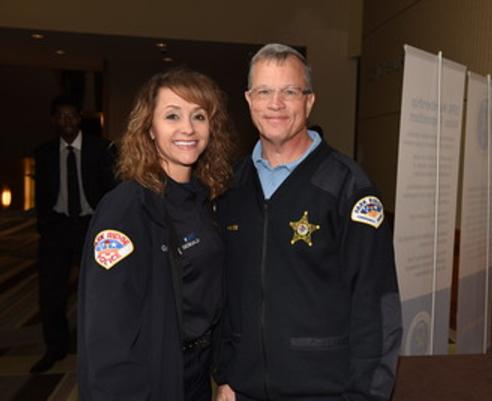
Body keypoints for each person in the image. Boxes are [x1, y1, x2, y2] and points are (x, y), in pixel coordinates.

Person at [215, 43, 402, 401]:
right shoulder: (230, 188)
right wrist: (225, 374)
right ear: (249, 100)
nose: (276, 104)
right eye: (264, 92)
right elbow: (224, 295)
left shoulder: (348, 188)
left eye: (289, 92)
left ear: (309, 101)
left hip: (326, 392)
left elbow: (376, 306)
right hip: (243, 390)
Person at [77, 68, 234, 400]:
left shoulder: (206, 199)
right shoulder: (125, 209)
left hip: (197, 374)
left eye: (199, 116)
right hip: (148, 378)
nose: (188, 128)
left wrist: (224, 372)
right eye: (172, 115)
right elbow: (106, 330)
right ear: (149, 128)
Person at [32, 94, 116, 373]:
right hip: (57, 228)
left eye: (71, 115)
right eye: (61, 116)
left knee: (100, 291)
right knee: (51, 292)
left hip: (92, 227)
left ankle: (101, 348)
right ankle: (54, 348)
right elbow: (42, 195)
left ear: (79, 118)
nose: (66, 120)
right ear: (53, 120)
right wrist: (45, 226)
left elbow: (112, 191)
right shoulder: (44, 152)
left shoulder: (101, 149)